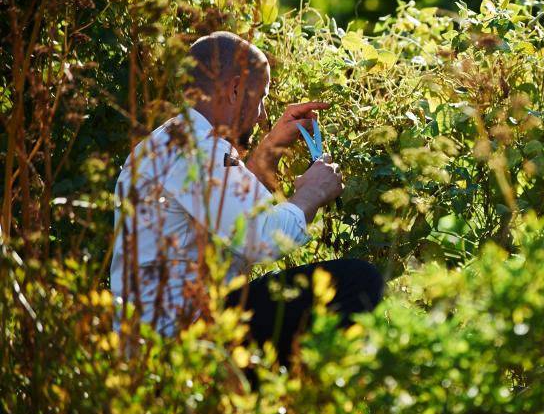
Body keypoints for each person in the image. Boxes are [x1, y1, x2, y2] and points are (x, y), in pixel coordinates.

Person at [109, 31, 383, 365]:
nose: (262, 115)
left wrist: (270, 150)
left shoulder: (178, 140)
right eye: (261, 98)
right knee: (359, 280)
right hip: (182, 344)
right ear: (235, 89)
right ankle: (303, 401)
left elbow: (228, 214)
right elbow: (260, 238)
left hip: (172, 337)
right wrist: (311, 193)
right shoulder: (199, 149)